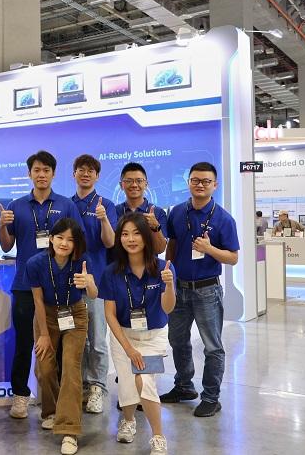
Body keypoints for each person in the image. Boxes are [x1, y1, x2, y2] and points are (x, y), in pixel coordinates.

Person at [0, 150, 84, 419]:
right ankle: (20, 395)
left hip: (59, 290)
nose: (41, 174)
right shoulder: (16, 206)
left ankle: (55, 401)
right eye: (37, 170)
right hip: (25, 286)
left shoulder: (66, 205)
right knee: (24, 343)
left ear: (53, 174)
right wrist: (2, 226)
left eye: (46, 170)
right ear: (29, 174)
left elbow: (78, 243)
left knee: (56, 348)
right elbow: (6, 246)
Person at [160, 162, 239, 418]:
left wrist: (209, 249)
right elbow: (172, 244)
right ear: (189, 182)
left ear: (215, 185)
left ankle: (211, 398)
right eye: (195, 180)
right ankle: (184, 387)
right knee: (177, 341)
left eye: (206, 181)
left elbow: (233, 258)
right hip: (179, 288)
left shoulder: (223, 218)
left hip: (207, 291)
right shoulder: (176, 212)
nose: (200, 185)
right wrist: (168, 270)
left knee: (212, 347)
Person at [101, 213, 175, 455]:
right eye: (125, 234)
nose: (130, 239)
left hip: (153, 335)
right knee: (127, 384)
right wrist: (129, 349)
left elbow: (168, 308)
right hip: (123, 336)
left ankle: (158, 436)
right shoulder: (111, 272)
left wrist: (169, 285)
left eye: (136, 233)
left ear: (145, 236)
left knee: (144, 381)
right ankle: (128, 420)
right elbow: (110, 314)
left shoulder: (163, 268)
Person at [28, 218, 96, 455]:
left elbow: (94, 294)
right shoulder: (36, 263)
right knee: (45, 367)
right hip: (46, 315)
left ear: (76, 243)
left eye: (70, 239)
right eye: (60, 237)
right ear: (51, 238)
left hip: (75, 315)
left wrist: (89, 283)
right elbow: (37, 300)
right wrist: (44, 335)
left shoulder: (82, 262)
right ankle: (52, 411)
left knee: (70, 367)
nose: (64, 243)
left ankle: (69, 430)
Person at [71, 154, 116, 414]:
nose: (85, 174)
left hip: (97, 283)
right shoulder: (66, 204)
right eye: (81, 169)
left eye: (90, 170)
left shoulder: (105, 204)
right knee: (78, 340)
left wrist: (103, 219)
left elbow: (110, 242)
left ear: (97, 176)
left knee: (97, 339)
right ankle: (83, 386)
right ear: (74, 174)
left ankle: (98, 386)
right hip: (69, 283)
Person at [116, 163, 168, 254]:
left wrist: (155, 227)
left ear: (146, 184)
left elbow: (160, 249)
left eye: (139, 181)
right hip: (121, 263)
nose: (134, 185)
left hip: (149, 263)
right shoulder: (114, 211)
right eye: (129, 181)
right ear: (121, 185)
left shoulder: (158, 212)